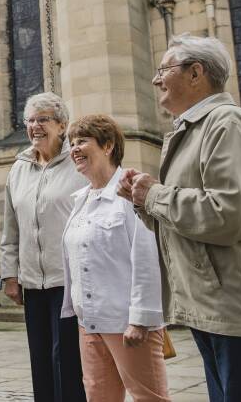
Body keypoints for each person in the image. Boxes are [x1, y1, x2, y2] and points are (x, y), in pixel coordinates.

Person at [119, 34, 241, 402]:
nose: (155, 79)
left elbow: (227, 215)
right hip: (214, 308)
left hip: (238, 313)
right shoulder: (197, 128)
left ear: (196, 73)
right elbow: (189, 221)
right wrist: (143, 201)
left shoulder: (228, 124)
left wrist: (155, 195)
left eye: (164, 69)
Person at [61, 115, 168, 402]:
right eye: (71, 143)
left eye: (82, 141)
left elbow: (147, 259)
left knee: (149, 397)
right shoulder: (80, 199)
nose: (74, 148)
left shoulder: (130, 191)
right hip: (90, 323)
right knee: (98, 397)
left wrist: (141, 319)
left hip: (127, 324)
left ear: (108, 146)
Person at [0, 92, 87, 402]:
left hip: (69, 280)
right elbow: (11, 228)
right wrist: (10, 275)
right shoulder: (19, 168)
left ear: (62, 125)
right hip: (32, 282)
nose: (35, 126)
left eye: (43, 120)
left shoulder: (78, 164)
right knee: (39, 358)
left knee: (66, 358)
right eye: (30, 120)